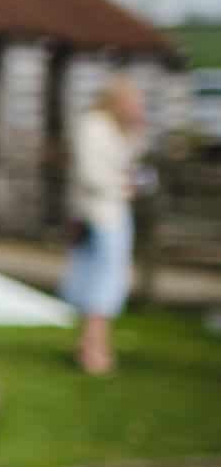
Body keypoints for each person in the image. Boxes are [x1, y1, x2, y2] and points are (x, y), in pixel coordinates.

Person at [63, 75, 149, 375]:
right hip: (98, 216)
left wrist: (136, 130)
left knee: (105, 281)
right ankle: (93, 350)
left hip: (111, 213)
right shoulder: (93, 126)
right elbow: (93, 175)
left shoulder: (115, 129)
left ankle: (93, 346)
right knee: (101, 281)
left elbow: (129, 162)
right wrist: (124, 187)